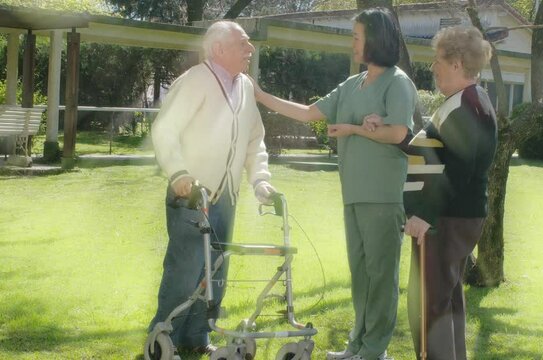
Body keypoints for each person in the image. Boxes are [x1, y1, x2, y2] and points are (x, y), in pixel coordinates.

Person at [252, 7, 416, 360]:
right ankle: (357, 345)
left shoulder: (398, 81)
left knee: (380, 277)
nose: (352, 43)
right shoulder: (354, 84)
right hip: (354, 195)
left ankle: (374, 350)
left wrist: (355, 129)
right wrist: (261, 96)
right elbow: (309, 112)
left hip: (382, 197)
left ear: (374, 39)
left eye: (356, 36)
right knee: (361, 276)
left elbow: (399, 132)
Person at [148, 20, 276, 355]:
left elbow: (255, 140)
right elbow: (165, 130)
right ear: (219, 49)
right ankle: (164, 340)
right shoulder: (195, 80)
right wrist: (178, 172)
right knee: (185, 272)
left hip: (226, 195)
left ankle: (198, 338)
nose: (250, 50)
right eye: (244, 43)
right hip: (191, 196)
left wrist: (260, 178)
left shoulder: (245, 86)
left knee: (216, 273)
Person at [400, 26, 497, 360]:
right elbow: (435, 152)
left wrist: (424, 215)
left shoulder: (465, 107)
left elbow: (459, 170)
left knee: (429, 307)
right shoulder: (463, 103)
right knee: (447, 303)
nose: (433, 68)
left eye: (437, 60)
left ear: (456, 63)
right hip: (451, 218)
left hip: (445, 219)